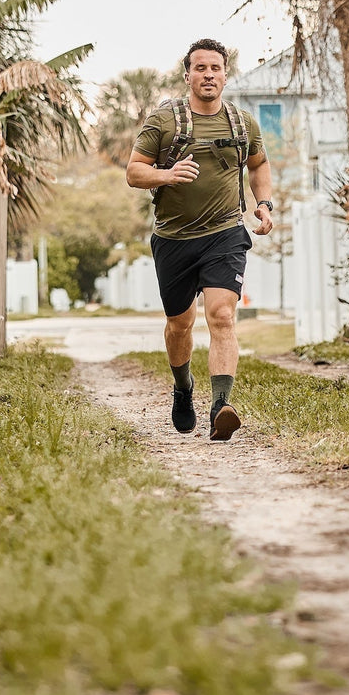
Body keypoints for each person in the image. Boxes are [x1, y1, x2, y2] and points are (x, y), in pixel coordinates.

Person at [126, 39, 274, 441]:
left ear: (226, 74)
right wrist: (167, 175)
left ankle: (220, 404)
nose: (208, 74)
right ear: (187, 74)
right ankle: (183, 388)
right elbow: (134, 172)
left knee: (223, 316)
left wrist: (264, 204)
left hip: (224, 233)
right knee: (179, 325)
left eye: (216, 68)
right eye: (200, 68)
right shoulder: (164, 122)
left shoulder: (242, 123)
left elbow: (259, 164)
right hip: (173, 238)